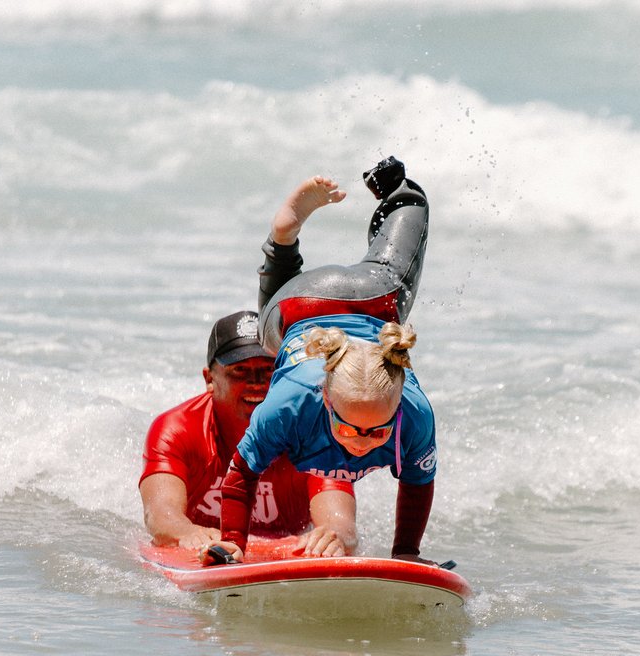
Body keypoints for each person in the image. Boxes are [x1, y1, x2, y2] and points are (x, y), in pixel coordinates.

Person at [205, 156, 437, 567]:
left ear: (398, 408)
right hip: (365, 296)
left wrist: (406, 554)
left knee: (273, 334)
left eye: (378, 431)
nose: (361, 442)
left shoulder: (414, 415)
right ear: (325, 399)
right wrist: (233, 543)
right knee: (268, 337)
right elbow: (240, 476)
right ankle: (394, 192)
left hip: (316, 298)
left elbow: (418, 484)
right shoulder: (290, 403)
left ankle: (285, 238)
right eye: (351, 426)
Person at [139, 310, 357, 556]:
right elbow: (160, 516)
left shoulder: (317, 432)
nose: (256, 383)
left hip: (285, 547)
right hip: (203, 550)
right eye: (239, 371)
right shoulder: (177, 429)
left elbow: (342, 526)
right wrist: (186, 532)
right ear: (209, 379)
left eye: (268, 370)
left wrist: (332, 537)